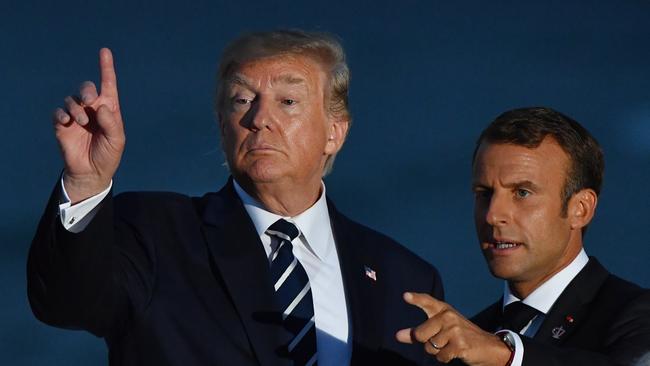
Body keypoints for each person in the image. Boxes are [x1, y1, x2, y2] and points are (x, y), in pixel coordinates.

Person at [28, 30, 443, 366]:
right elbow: (66, 303)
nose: (260, 119)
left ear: (335, 132)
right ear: (223, 126)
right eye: (242, 100)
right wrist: (86, 181)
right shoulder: (156, 234)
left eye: (288, 101)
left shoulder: (405, 279)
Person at [396, 107, 650, 365]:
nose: (493, 215)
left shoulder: (637, 315)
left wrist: (508, 356)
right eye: (484, 193)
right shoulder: (464, 344)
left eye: (522, 193)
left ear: (580, 209)